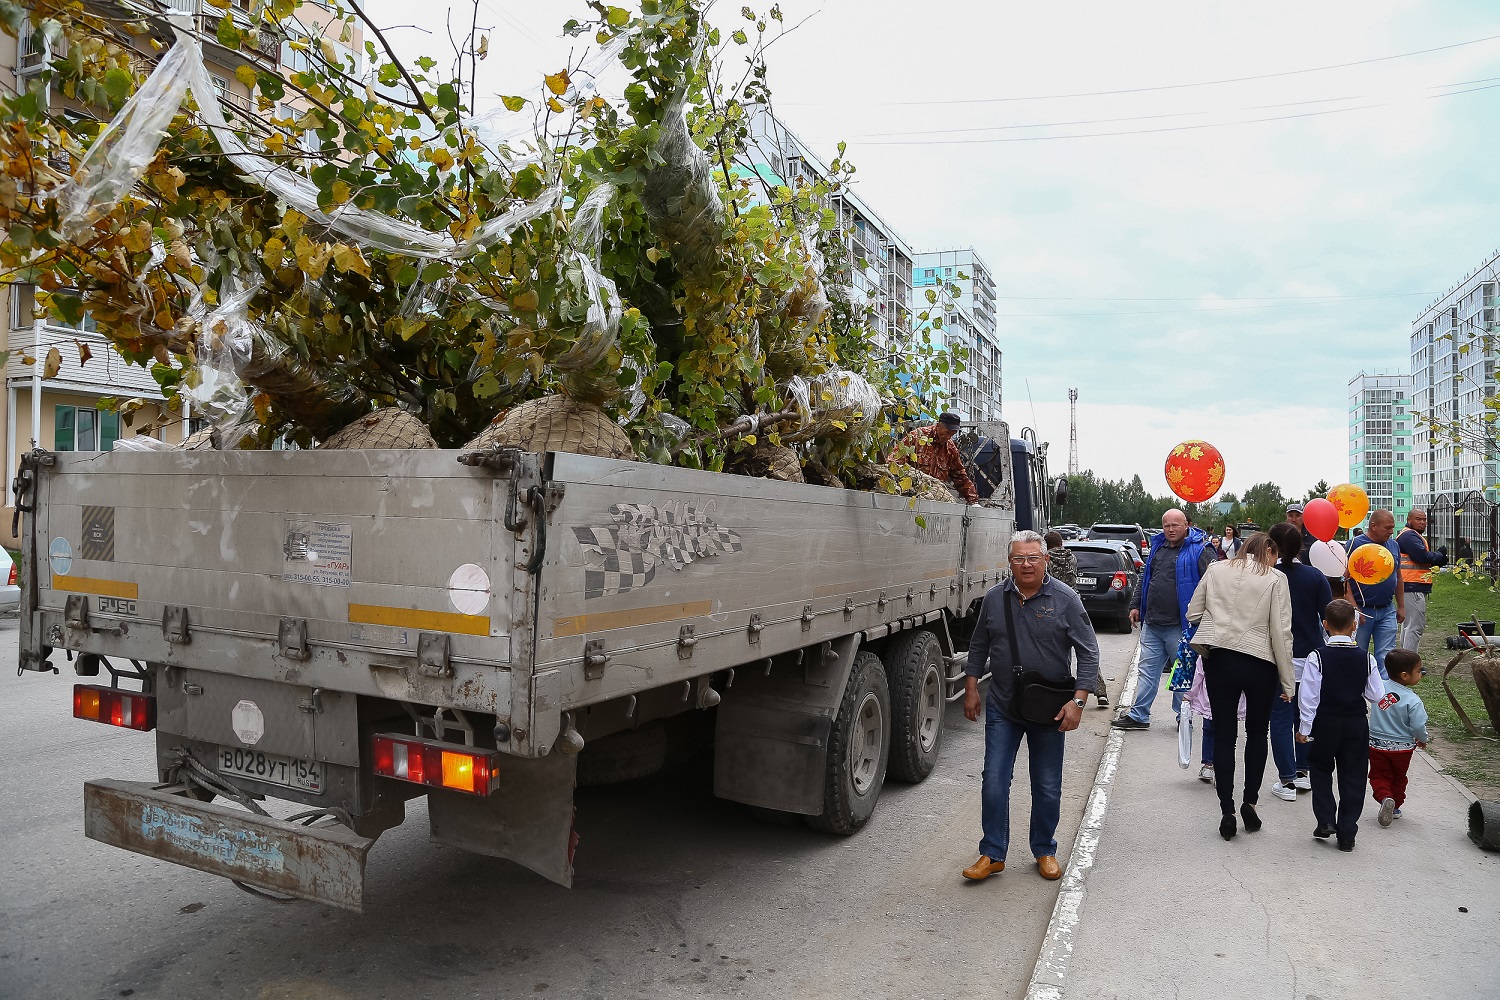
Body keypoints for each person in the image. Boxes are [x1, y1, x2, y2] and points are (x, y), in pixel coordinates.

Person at [962, 530, 1100, 883]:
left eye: (1032, 558)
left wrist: (1078, 702)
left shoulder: (1066, 599)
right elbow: (979, 645)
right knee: (993, 779)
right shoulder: (995, 599)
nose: (1026, 565)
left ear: (1045, 560)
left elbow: (1088, 653)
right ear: (1009, 562)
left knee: (1047, 784)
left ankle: (1044, 850)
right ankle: (992, 853)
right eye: (1018, 559)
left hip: (1049, 709)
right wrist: (972, 688)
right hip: (1004, 706)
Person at [1185, 533, 1294, 841]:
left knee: (1224, 735)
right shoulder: (1275, 578)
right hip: (1261, 662)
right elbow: (1281, 632)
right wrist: (1288, 682)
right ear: (1269, 551)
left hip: (1220, 659)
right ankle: (1250, 801)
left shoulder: (1217, 568)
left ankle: (1226, 811)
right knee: (1258, 733)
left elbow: (1193, 612)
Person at [1112, 509, 1215, 731]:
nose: (1170, 529)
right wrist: (1135, 606)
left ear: (1186, 525)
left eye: (1175, 525)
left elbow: (1214, 585)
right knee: (1147, 672)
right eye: (1166, 525)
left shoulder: (1201, 550)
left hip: (1182, 625)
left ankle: (1183, 718)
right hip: (1153, 623)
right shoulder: (1157, 547)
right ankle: (1139, 716)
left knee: (1182, 674)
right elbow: (1145, 578)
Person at [1297, 599, 1385, 852]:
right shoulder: (1366, 658)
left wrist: (1305, 729)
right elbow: (1376, 695)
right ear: (1354, 625)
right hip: (1355, 723)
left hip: (1325, 721)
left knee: (1321, 769)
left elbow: (1309, 697)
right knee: (1353, 776)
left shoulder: (1317, 657)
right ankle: (1347, 833)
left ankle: (1325, 820)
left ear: (1325, 625)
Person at [1267, 522, 1332, 802]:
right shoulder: (1315, 576)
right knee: (1307, 715)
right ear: (1300, 546)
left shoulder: (1266, 575)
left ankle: (1287, 780)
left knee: (1281, 718)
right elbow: (1328, 617)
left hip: (1278, 656)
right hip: (1311, 656)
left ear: (1271, 547)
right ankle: (1305, 771)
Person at [1368, 648, 1429, 828]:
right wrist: (1422, 739)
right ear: (1404, 675)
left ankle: (1385, 797)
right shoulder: (1413, 700)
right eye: (1418, 671)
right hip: (1402, 748)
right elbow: (1418, 726)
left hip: (1376, 744)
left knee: (1379, 774)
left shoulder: (1378, 687)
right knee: (1399, 777)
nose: (1421, 674)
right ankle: (1395, 805)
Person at [1046, 531, 1108, 708]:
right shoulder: (1072, 557)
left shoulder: (1046, 559)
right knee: (1086, 650)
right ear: (1061, 543)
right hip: (1075, 604)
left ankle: (1057, 689)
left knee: (1054, 650)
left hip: (1052, 605)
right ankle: (1101, 692)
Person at [1347, 510, 1404, 678]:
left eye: (1392, 528)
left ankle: (1384, 696)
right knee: (1359, 655)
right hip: (1362, 610)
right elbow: (1344, 581)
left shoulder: (1393, 545)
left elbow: (1398, 576)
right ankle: (1358, 693)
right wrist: (1355, 609)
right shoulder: (1355, 545)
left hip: (1387, 609)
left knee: (1386, 657)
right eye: (1387, 528)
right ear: (1373, 526)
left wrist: (1401, 605)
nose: (1391, 531)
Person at [897, 413, 980, 504]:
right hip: (911, 495)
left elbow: (960, 477)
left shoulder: (950, 449)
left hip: (935, 497)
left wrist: (973, 501)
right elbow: (895, 464)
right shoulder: (916, 437)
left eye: (952, 434)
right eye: (947, 433)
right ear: (938, 425)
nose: (948, 437)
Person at [1396, 509, 1447, 652]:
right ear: (1409, 520)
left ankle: (1405, 659)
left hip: (1410, 585)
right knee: (1415, 626)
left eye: (1424, 520)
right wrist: (1440, 555)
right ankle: (1409, 662)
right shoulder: (1409, 536)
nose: (1423, 522)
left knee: (1409, 625)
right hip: (1412, 585)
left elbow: (1425, 560)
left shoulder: (1411, 535)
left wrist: (1438, 558)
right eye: (1418, 519)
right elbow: (1422, 557)